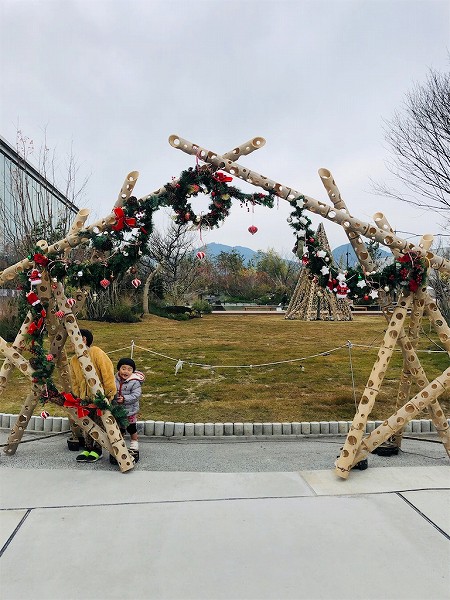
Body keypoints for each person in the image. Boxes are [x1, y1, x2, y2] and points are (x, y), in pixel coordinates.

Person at [69, 328, 116, 463]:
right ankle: (88, 447)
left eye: (73, 340)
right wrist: (79, 397)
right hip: (85, 399)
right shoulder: (73, 360)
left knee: (99, 422)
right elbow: (74, 381)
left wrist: (108, 394)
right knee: (87, 423)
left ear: (83, 339)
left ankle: (97, 449)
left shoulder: (96, 352)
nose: (70, 344)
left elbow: (107, 373)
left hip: (100, 398)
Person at [111, 357, 144, 463]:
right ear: (119, 369)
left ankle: (134, 442)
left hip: (130, 409)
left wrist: (125, 399)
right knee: (120, 428)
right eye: (123, 368)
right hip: (117, 409)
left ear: (132, 371)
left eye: (129, 369)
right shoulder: (113, 379)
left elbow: (136, 395)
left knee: (131, 427)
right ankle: (121, 444)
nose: (126, 371)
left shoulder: (135, 382)